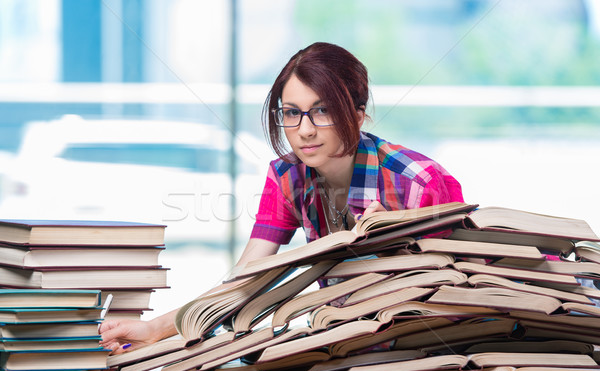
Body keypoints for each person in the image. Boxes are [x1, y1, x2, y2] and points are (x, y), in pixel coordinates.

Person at [99, 42, 464, 353]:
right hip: (343, 356)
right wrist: (155, 329)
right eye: (291, 113)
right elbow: (244, 280)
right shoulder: (288, 177)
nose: (304, 131)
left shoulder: (420, 183)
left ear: (358, 113)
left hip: (426, 360)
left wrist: (393, 251)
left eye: (322, 110)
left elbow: (462, 295)